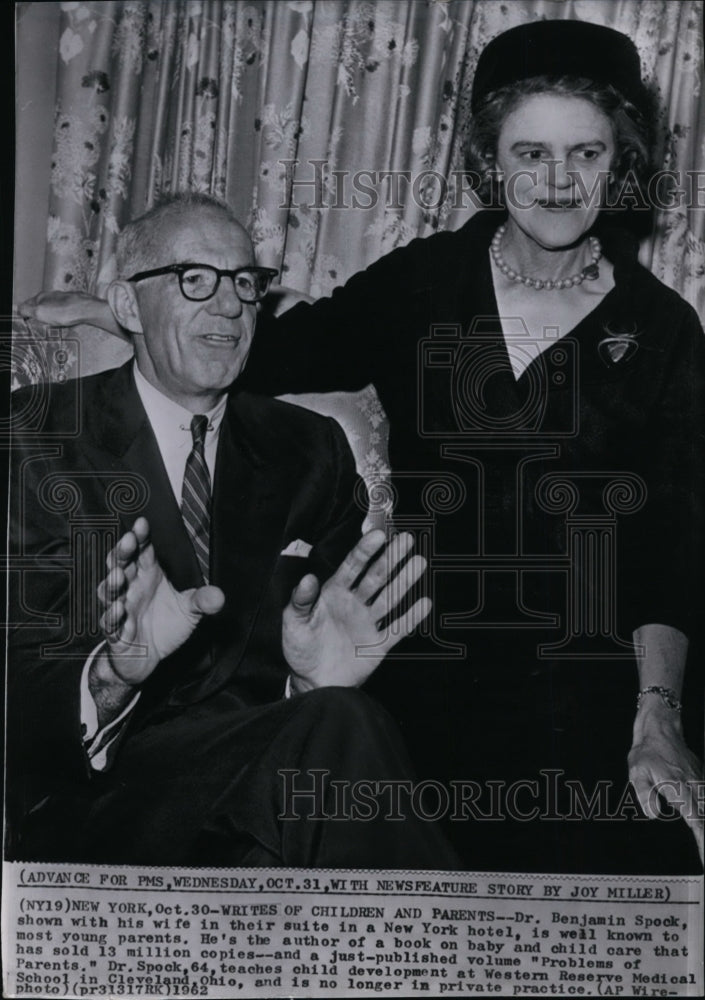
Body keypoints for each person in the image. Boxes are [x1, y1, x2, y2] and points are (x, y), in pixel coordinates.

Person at [19, 21, 704, 874]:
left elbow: (669, 543)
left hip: (595, 675)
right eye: (530, 152)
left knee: (646, 869)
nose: (557, 181)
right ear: (491, 160)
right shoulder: (425, 281)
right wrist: (119, 314)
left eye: (586, 154)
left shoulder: (664, 330)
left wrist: (656, 715)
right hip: (422, 653)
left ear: (619, 161)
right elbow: (275, 349)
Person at [7, 191, 460, 870]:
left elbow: (320, 665)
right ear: (127, 306)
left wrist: (313, 685)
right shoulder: (36, 437)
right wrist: (111, 675)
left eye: (245, 283)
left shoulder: (309, 448)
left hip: (266, 791)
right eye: (195, 279)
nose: (229, 306)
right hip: (105, 798)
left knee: (339, 725)